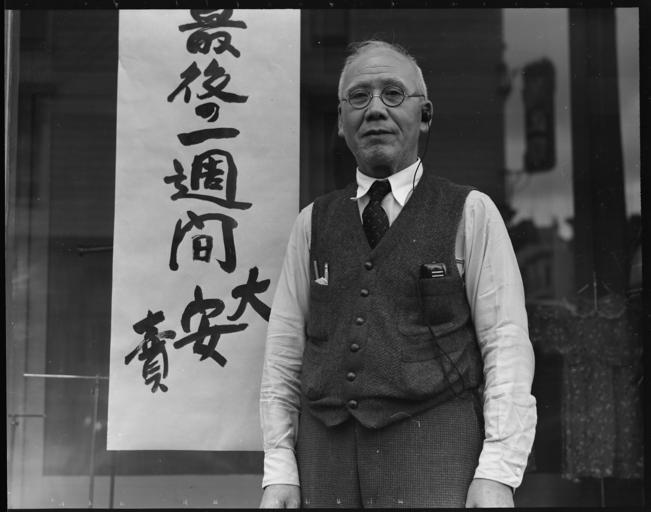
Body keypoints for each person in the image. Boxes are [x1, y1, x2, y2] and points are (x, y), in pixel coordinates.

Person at [259, 39, 536, 508]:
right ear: (341, 122)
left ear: (424, 115)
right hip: (324, 463)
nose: (375, 110)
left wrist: (498, 472)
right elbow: (284, 352)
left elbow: (505, 344)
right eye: (358, 97)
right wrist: (280, 467)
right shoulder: (312, 223)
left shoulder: (471, 212)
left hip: (435, 456)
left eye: (393, 94)